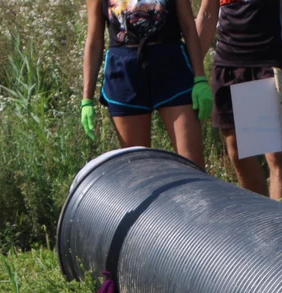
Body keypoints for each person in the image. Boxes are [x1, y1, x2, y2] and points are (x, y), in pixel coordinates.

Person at [194, 0, 282, 199]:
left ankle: (280, 225)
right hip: (227, 64)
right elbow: (207, 15)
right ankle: (259, 219)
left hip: (269, 63)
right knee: (238, 152)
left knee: (275, 155)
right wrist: (193, 72)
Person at [81, 0, 213, 168]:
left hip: (172, 67)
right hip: (124, 73)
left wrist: (200, 78)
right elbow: (94, 41)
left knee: (193, 165)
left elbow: (188, 26)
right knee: (140, 169)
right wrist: (87, 99)